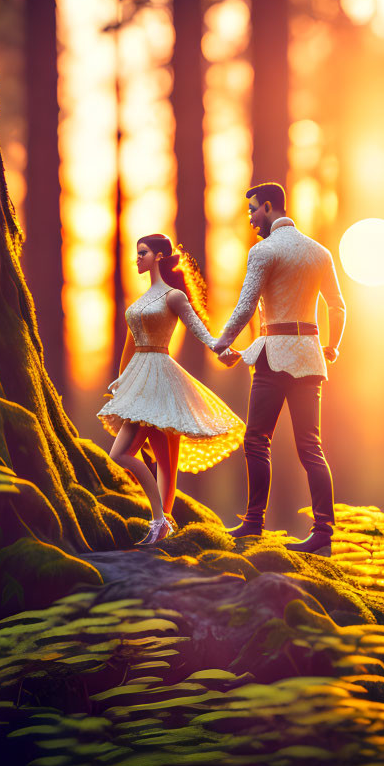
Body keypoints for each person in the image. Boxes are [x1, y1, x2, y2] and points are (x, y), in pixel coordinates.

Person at [211, 183, 346, 555]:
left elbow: (244, 307)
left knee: (257, 440)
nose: (252, 218)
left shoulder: (264, 251)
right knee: (311, 447)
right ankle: (323, 532)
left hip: (274, 357)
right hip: (310, 356)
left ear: (269, 207)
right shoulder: (319, 252)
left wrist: (219, 343)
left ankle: (254, 523)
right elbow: (338, 307)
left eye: (253, 210)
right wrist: (332, 346)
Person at [99, 234, 245, 546]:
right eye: (137, 253)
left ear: (160, 256)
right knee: (143, 456)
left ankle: (159, 520)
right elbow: (129, 345)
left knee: (140, 456)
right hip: (139, 380)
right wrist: (121, 382)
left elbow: (200, 329)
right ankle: (162, 520)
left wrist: (221, 348)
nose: (137, 258)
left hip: (160, 377)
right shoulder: (140, 302)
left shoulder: (174, 297)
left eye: (143, 253)